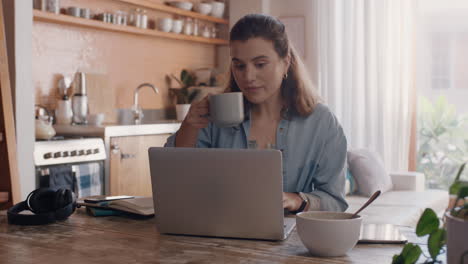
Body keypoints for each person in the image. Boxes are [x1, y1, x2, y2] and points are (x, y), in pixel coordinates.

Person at [165, 14, 348, 213]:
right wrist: (189, 127)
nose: (248, 77)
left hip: (291, 239)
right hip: (218, 233)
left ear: (285, 62)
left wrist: (297, 200)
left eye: (260, 64)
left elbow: (335, 202)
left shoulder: (321, 122)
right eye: (239, 65)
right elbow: (173, 180)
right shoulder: (216, 114)